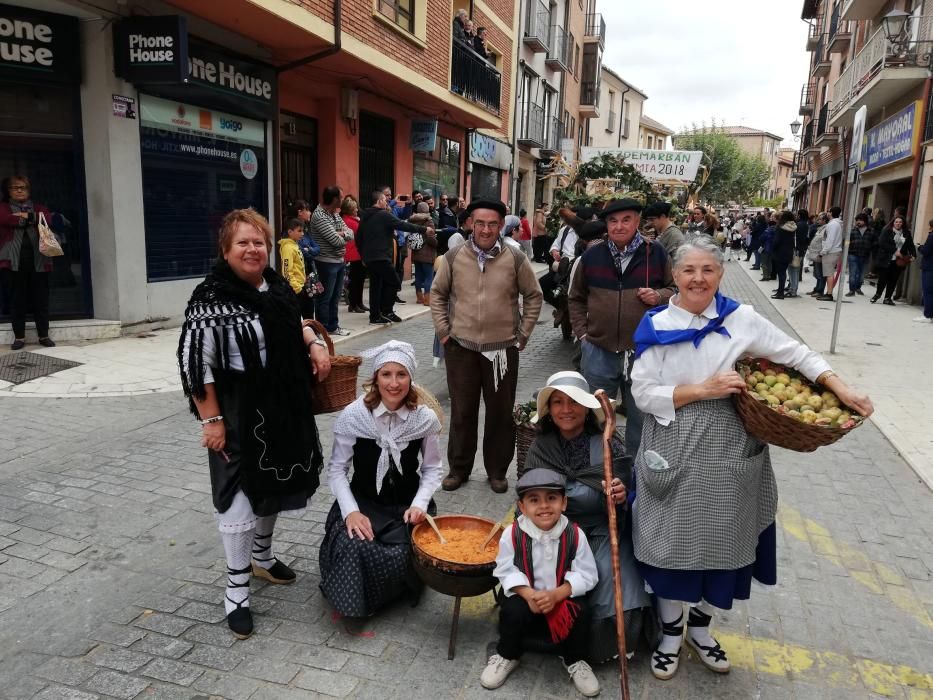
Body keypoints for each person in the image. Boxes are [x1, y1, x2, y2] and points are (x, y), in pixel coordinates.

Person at [630, 238, 872, 680]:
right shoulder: (657, 323)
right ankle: (669, 633)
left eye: (708, 269)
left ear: (721, 274)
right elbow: (642, 392)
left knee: (723, 542)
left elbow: (796, 354)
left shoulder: (740, 319)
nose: (698, 279)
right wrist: (703, 389)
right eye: (689, 271)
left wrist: (842, 388)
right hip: (672, 440)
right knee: (668, 543)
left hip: (731, 445)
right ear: (675, 276)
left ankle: (701, 631)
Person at [178, 208, 330, 639]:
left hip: (283, 406)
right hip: (239, 411)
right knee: (239, 498)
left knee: (275, 486)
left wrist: (315, 343)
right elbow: (196, 365)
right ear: (226, 250)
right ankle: (236, 591)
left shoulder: (276, 287)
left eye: (259, 241)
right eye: (242, 242)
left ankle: (261, 559)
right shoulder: (210, 300)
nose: (252, 249)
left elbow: (296, 321)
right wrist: (212, 420)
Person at [520, 371, 654, 663]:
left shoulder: (608, 444)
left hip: (601, 532)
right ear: (549, 410)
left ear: (586, 408)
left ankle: (603, 649)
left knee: (617, 588)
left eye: (574, 403)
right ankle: (553, 638)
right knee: (550, 586)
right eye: (558, 402)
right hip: (555, 535)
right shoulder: (540, 448)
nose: (566, 410)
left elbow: (626, 489)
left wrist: (620, 495)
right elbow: (529, 498)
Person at [319, 341, 442, 617]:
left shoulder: (423, 418)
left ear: (411, 378)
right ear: (375, 378)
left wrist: (420, 504)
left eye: (402, 374)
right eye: (386, 374)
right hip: (363, 502)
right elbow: (337, 470)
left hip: (406, 506)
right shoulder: (354, 416)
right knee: (354, 546)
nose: (394, 383)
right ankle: (357, 600)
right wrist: (351, 513)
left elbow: (433, 468)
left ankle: (386, 593)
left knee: (400, 553)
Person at [431, 199, 543, 493]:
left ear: (501, 226)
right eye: (480, 223)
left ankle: (496, 471)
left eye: (492, 224)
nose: (485, 229)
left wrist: (523, 334)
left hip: (502, 351)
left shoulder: (515, 258)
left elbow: (534, 296)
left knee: (500, 413)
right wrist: (444, 332)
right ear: (471, 224)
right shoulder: (454, 256)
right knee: (463, 411)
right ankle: (459, 468)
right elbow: (438, 294)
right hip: (461, 348)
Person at [567, 198, 676, 460]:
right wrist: (583, 334)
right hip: (599, 350)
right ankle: (597, 470)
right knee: (596, 416)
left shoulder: (656, 253)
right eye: (613, 221)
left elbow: (676, 290)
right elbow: (576, 297)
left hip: (643, 352)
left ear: (638, 222)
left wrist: (659, 295)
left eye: (626, 220)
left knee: (640, 418)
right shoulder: (592, 256)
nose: (618, 226)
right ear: (606, 224)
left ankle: (634, 477)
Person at [481, 468, 600, 696]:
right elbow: (505, 569)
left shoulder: (575, 535)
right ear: (522, 507)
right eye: (534, 500)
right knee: (512, 609)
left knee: (583, 611)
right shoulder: (512, 534)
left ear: (564, 503)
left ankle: (575, 660)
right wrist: (528, 594)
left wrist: (558, 594)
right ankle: (507, 654)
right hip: (528, 600)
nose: (544, 506)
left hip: (561, 599)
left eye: (552, 498)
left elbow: (588, 574)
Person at [357, 190, 432, 325]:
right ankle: (387, 311)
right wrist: (424, 229)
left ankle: (375, 316)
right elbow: (403, 225)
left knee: (376, 286)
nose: (386, 203)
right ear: (379, 201)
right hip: (381, 256)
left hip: (370, 257)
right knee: (394, 281)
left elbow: (359, 238)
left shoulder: (364, 216)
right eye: (384, 200)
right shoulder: (383, 215)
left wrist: (363, 255)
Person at [0, 175, 55, 350]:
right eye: (15, 187)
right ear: (7, 191)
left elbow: (46, 219)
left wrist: (25, 216)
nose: (19, 190)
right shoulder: (3, 208)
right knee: (17, 301)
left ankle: (44, 335)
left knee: (41, 300)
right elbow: (8, 219)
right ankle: (19, 338)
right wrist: (31, 218)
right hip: (12, 262)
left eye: (23, 187)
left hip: (39, 261)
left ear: (29, 190)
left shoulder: (40, 208)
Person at [310, 185, 352, 336]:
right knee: (325, 298)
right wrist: (342, 234)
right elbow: (336, 241)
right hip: (325, 262)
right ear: (334, 199)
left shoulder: (334, 214)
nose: (343, 200)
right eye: (341, 197)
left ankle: (333, 327)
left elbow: (350, 233)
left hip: (338, 261)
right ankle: (322, 329)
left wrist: (341, 233)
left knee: (335, 297)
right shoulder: (319, 215)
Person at [871, 215, 916, 306]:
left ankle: (887, 298)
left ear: (903, 224)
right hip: (886, 259)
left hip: (898, 261)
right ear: (893, 223)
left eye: (900, 222)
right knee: (883, 279)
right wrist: (895, 251)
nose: (898, 223)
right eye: (896, 222)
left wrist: (913, 255)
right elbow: (882, 242)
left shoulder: (906, 233)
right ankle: (877, 294)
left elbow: (910, 244)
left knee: (893, 279)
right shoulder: (887, 231)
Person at [341, 196, 367, 314]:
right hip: (354, 253)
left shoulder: (352, 219)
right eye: (355, 208)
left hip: (356, 253)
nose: (357, 210)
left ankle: (358, 302)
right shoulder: (349, 221)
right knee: (356, 281)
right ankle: (354, 303)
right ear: (350, 210)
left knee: (359, 280)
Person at [409, 201, 437, 306]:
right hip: (427, 253)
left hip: (416, 253)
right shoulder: (428, 221)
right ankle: (427, 299)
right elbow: (431, 238)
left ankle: (419, 298)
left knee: (418, 277)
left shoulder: (412, 220)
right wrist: (436, 242)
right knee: (429, 277)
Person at [817, 206, 844, 301]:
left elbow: (830, 240)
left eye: (828, 211)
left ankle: (829, 294)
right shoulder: (838, 224)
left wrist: (823, 252)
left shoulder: (832, 225)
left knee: (829, 274)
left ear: (831, 213)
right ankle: (828, 292)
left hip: (831, 251)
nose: (827, 213)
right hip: (834, 250)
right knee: (829, 273)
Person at [845, 212, 874, 297]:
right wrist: (847, 247)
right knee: (853, 273)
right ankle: (851, 290)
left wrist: (871, 249)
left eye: (860, 220)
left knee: (861, 274)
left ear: (865, 221)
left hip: (865, 255)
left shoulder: (871, 231)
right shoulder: (852, 231)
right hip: (853, 254)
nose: (858, 222)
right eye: (857, 220)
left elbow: (874, 242)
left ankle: (858, 288)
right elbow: (846, 241)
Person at [770, 211, 797, 299]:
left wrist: (772, 248)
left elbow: (777, 241)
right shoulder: (794, 227)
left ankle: (780, 293)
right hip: (789, 252)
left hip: (779, 252)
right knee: (783, 273)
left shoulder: (780, 227)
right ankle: (780, 291)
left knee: (781, 273)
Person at [278, 218, 306, 299]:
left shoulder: (294, 245)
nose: (302, 234)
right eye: (299, 231)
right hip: (295, 290)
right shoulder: (287, 247)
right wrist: (297, 289)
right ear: (290, 232)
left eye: (302, 231)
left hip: (300, 285)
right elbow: (287, 271)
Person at [787, 209, 810, 298]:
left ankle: (793, 290)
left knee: (793, 270)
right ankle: (793, 288)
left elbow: (795, 238)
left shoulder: (798, 225)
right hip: (801, 249)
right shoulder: (806, 225)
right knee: (796, 269)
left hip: (795, 250)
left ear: (799, 215)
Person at [916, 219, 933, 323]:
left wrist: (919, 247)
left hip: (929, 267)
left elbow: (926, 251)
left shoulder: (931, 237)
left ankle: (927, 315)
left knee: (928, 292)